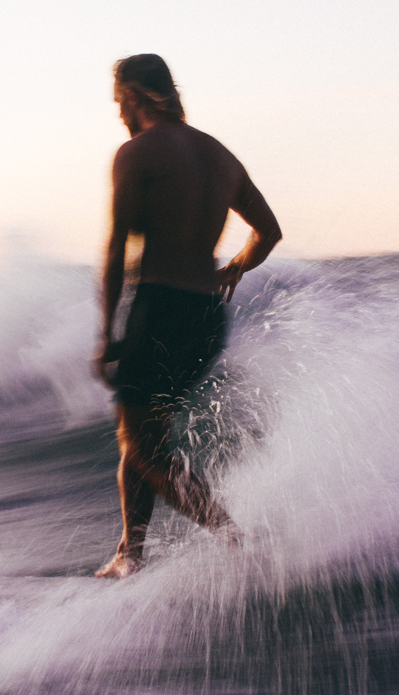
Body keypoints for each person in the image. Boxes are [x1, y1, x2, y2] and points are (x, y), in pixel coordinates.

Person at [94, 54, 282, 578]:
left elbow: (116, 248)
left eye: (118, 103)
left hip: (159, 309)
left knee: (145, 449)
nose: (118, 116)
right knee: (144, 437)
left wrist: (107, 332)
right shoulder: (219, 155)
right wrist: (233, 269)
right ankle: (130, 554)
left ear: (132, 94)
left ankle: (237, 540)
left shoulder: (137, 154)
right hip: (205, 317)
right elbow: (268, 231)